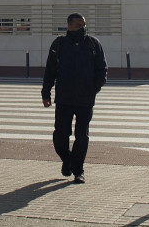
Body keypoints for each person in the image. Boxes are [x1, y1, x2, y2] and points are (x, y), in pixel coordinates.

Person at [42, 13, 108, 184]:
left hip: (85, 100)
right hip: (64, 98)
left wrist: (94, 89)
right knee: (60, 135)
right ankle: (67, 159)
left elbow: (102, 69)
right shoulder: (59, 44)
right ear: (69, 26)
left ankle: (78, 170)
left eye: (84, 25)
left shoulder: (93, 44)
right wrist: (46, 93)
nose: (83, 28)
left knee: (82, 136)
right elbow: (50, 70)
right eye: (79, 25)